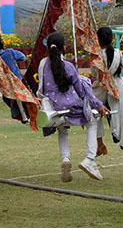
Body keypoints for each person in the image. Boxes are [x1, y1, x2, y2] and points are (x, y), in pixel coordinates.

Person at [38, 33, 109, 182]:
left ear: (47, 48)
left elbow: (41, 89)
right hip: (70, 106)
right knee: (92, 120)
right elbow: (82, 92)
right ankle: (90, 159)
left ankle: (65, 158)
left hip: (52, 108)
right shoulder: (68, 66)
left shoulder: (43, 64)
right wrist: (99, 104)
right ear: (64, 48)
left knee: (63, 130)